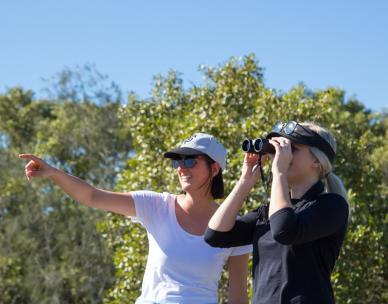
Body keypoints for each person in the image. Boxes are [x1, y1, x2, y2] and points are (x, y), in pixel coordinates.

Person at [19, 132, 251, 304]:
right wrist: (53, 172)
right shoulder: (157, 205)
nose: (181, 168)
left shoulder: (235, 226)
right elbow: (92, 196)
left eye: (190, 161)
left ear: (214, 169)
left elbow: (238, 297)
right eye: (177, 161)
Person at [204, 121, 349, 304]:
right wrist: (245, 182)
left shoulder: (332, 205)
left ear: (316, 161)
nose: (280, 156)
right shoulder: (267, 211)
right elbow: (215, 235)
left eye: (291, 149)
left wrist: (279, 172)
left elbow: (284, 230)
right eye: (275, 150)